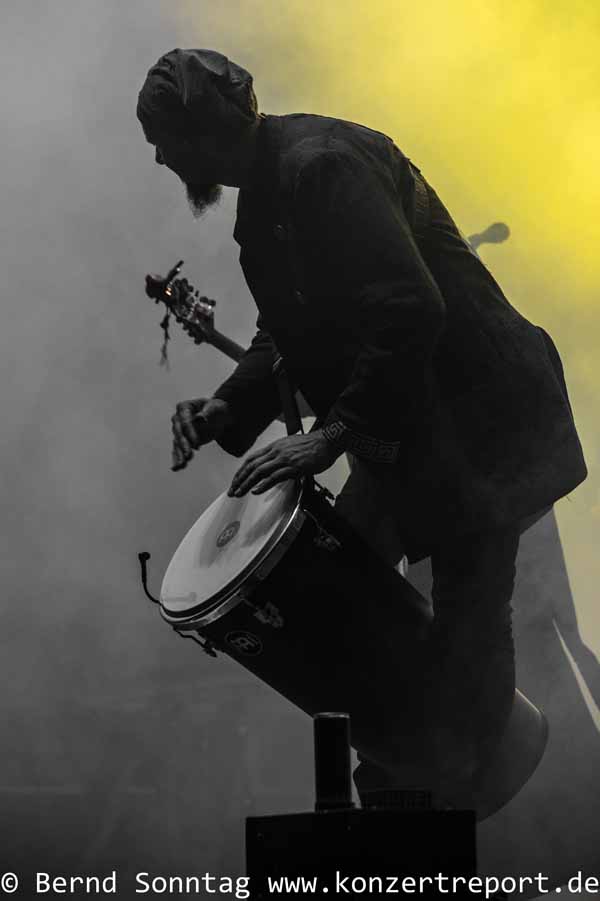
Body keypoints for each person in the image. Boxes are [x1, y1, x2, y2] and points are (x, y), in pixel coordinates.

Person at [136, 48, 587, 803]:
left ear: (201, 132)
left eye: (162, 141)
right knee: (340, 577)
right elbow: (285, 334)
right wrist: (227, 408)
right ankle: (413, 763)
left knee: (470, 603)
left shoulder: (322, 168)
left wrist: (331, 436)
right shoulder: (264, 198)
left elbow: (410, 309)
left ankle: (446, 785)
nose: (158, 158)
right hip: (414, 421)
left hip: (481, 418)